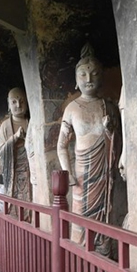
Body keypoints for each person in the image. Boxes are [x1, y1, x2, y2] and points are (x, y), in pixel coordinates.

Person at [56, 44, 122, 257]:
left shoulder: (109, 106)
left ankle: (103, 252)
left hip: (104, 171)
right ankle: (82, 255)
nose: (88, 79)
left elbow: (119, 142)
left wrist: (110, 131)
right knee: (81, 214)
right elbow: (61, 145)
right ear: (76, 79)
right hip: (82, 174)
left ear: (101, 77)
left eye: (94, 74)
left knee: (106, 211)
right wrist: (68, 173)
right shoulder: (72, 108)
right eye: (83, 74)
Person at [0, 88, 33, 205]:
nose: (18, 105)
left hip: (30, 169)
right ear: (8, 105)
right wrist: (14, 138)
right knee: (16, 203)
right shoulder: (5, 126)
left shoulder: (31, 122)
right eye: (14, 102)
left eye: (22, 101)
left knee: (32, 198)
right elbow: (1, 152)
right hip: (14, 170)